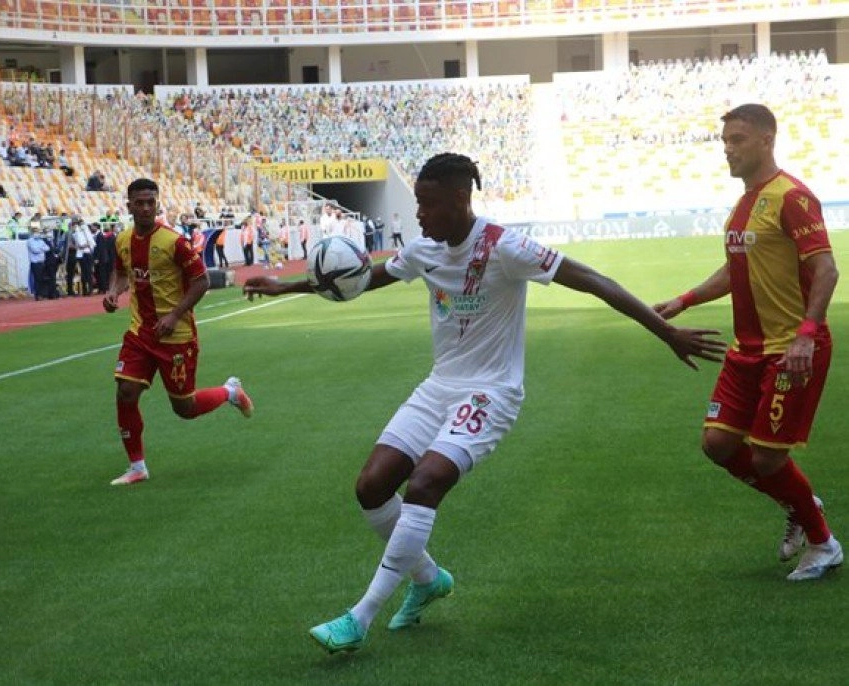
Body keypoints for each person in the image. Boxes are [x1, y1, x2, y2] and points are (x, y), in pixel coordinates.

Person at [243, 152, 727, 655]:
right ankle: (428, 579)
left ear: (460, 198)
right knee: (371, 487)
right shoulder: (426, 248)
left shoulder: (505, 246)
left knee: (425, 483)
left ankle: (360, 617)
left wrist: (666, 331)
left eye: (427, 204)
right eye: (417, 204)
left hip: (491, 392)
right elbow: (367, 277)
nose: (419, 214)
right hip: (439, 387)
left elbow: (595, 281)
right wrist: (288, 286)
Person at [654, 104, 842, 582]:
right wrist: (684, 300)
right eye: (725, 141)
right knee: (717, 444)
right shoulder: (743, 205)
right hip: (748, 349)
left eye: (737, 139)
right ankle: (799, 500)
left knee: (766, 458)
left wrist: (806, 334)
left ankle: (823, 543)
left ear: (766, 139)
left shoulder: (792, 197)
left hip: (790, 350)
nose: (727, 149)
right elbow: (735, 270)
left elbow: (826, 269)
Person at [102, 178, 255, 486]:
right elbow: (121, 272)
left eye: (151, 202)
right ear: (129, 206)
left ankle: (230, 392)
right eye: (139, 203)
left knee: (185, 408)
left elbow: (202, 281)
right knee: (125, 391)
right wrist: (113, 292)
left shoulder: (175, 242)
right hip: (140, 333)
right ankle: (137, 466)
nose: (146, 208)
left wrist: (174, 315)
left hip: (176, 336)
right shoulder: (123, 240)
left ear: (157, 204)